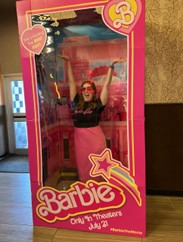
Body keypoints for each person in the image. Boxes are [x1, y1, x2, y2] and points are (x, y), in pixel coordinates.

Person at [60, 55, 125, 182]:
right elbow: (72, 83)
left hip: (96, 140)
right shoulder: (75, 101)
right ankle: (87, 192)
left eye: (89, 89)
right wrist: (68, 62)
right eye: (83, 89)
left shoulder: (98, 103)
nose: (86, 91)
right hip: (80, 140)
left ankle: (100, 191)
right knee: (83, 165)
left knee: (99, 167)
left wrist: (112, 65)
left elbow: (106, 86)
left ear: (94, 91)